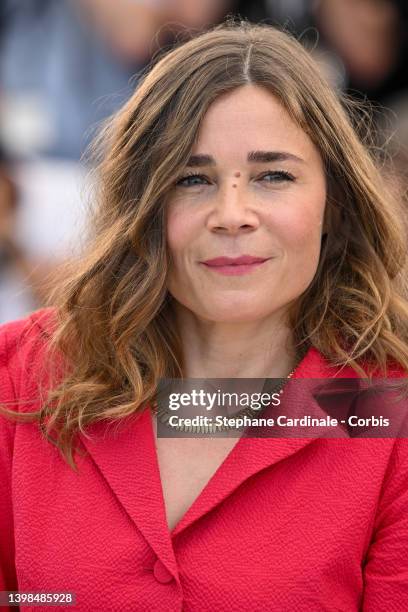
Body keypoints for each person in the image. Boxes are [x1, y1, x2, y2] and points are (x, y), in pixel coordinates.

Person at [1, 18, 408, 611]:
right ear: (141, 206)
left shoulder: (386, 409)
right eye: (192, 178)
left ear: (334, 204)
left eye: (273, 176)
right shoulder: (19, 374)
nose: (232, 213)